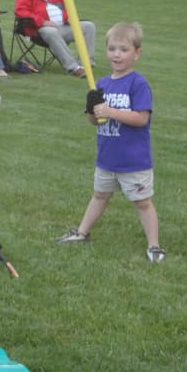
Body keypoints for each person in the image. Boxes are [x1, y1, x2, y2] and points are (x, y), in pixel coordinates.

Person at [55, 22, 165, 263]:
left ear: (137, 53)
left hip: (133, 161)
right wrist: (91, 109)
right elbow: (95, 122)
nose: (117, 54)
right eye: (112, 48)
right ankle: (82, 232)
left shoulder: (138, 84)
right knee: (100, 195)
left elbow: (141, 118)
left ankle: (154, 246)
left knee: (142, 203)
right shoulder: (102, 84)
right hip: (107, 158)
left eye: (124, 50)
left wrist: (111, 110)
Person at [14, 0, 96, 77]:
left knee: (88, 26)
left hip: (63, 27)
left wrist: (69, 18)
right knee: (50, 31)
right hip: (40, 30)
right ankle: (74, 68)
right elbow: (20, 11)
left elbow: (66, 7)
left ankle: (86, 64)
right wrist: (42, 22)